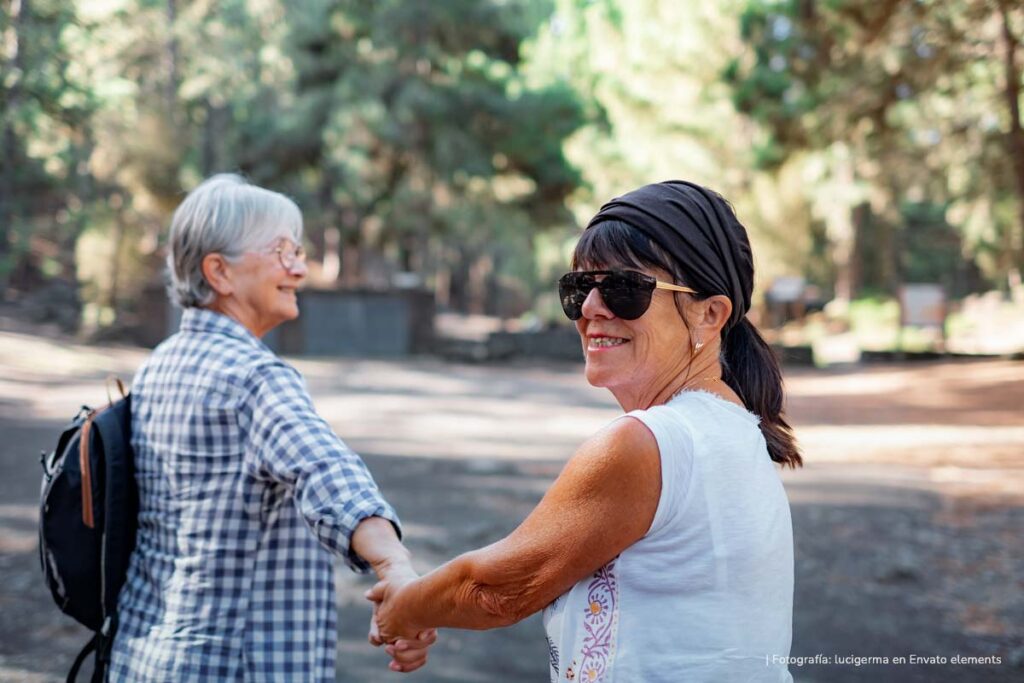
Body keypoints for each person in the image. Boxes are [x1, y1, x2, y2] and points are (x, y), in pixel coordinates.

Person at [368, 180, 801, 682]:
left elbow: (495, 590)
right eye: (578, 288)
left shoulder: (647, 443)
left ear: (710, 315)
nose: (593, 308)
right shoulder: (734, 429)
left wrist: (401, 610)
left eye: (623, 289)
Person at [108, 174, 434, 681]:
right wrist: (394, 566)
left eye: (298, 251)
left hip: (143, 654)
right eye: (282, 251)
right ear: (219, 271)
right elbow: (325, 470)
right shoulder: (255, 376)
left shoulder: (159, 363)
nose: (299, 268)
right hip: (234, 664)